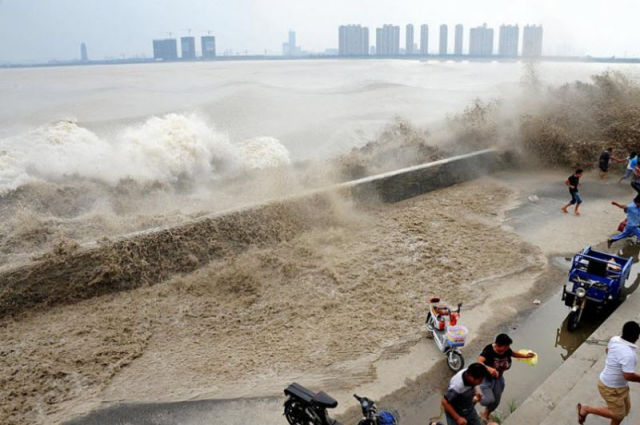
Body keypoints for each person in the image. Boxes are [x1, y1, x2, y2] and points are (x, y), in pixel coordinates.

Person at [577, 321, 640, 425]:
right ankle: (586, 409)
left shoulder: (615, 339)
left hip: (620, 386)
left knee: (624, 411)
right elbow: (628, 375)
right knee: (618, 414)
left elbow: (607, 350)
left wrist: (615, 362)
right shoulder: (629, 355)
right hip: (610, 388)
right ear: (636, 337)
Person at [477, 334, 535, 421]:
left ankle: (486, 414)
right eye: (505, 347)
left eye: (508, 347)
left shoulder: (506, 350)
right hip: (487, 379)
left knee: (496, 401)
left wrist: (525, 356)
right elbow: (479, 362)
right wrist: (489, 369)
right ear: (497, 345)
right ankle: (476, 397)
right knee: (488, 400)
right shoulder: (489, 350)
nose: (507, 348)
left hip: (499, 378)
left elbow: (513, 354)